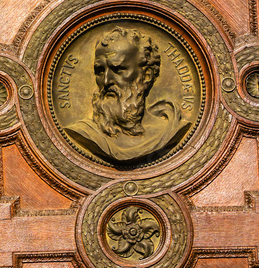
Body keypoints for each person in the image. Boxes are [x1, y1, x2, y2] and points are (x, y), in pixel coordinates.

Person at [65, 26, 190, 165]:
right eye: (100, 71)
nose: (106, 81)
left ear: (146, 75)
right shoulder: (84, 133)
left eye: (118, 70)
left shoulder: (172, 130)